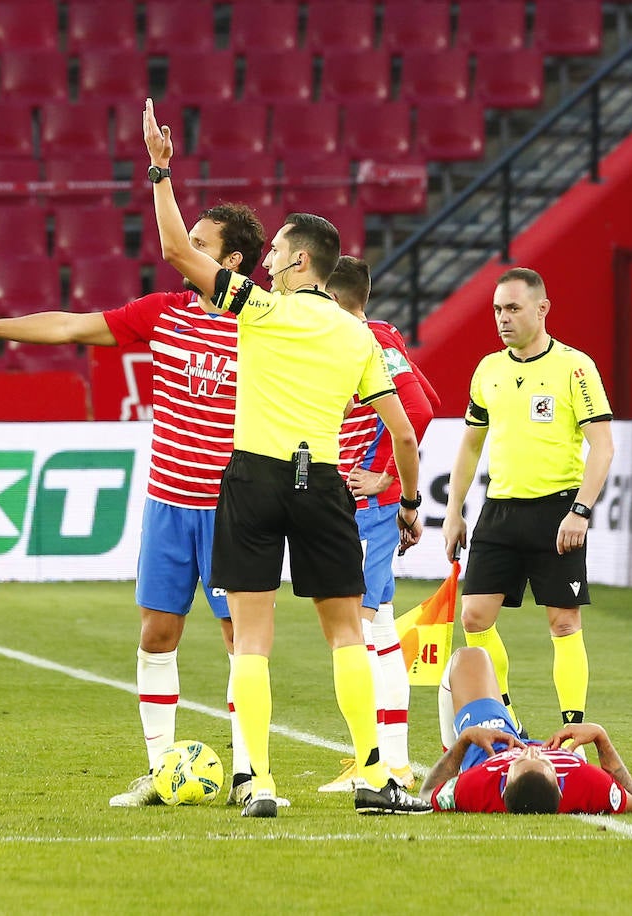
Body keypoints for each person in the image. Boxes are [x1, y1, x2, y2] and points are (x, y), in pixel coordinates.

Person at [143, 97, 431, 817]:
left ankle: (259, 783)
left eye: (275, 254)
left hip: (255, 478)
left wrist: (159, 172)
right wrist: (406, 501)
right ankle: (373, 777)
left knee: (254, 637)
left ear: (301, 261)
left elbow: (180, 252)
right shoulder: (360, 337)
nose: (265, 261)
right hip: (325, 482)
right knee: (345, 633)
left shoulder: (260, 309)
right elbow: (400, 430)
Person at [0, 202, 271, 808]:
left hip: (230, 508)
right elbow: (69, 326)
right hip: (167, 501)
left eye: (199, 240)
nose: (183, 247)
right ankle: (162, 770)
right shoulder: (163, 313)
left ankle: (249, 775)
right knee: (157, 633)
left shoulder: (265, 325)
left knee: (236, 637)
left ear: (232, 259)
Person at [441, 267, 615, 733]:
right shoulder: (488, 370)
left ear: (542, 309)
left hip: (556, 511)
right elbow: (471, 444)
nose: (503, 318)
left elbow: (603, 445)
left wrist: (580, 510)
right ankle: (508, 717)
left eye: (513, 308)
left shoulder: (575, 368)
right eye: (497, 309)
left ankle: (572, 731)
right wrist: (454, 509)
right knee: (474, 617)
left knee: (562, 622)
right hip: (499, 511)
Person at [317, 256, 439, 794]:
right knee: (378, 625)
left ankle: (387, 763)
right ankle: (387, 760)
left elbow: (420, 413)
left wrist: (388, 482)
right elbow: (430, 399)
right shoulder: (383, 335)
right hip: (368, 508)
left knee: (369, 628)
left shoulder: (368, 341)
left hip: (367, 507)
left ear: (336, 300)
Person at [418, 647, 632, 814]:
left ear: (503, 787)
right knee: (578, 754)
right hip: (567, 754)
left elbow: (427, 795)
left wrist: (464, 741)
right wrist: (600, 737)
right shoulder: (585, 782)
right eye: (544, 763)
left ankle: (452, 753)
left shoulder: (479, 785)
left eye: (520, 763)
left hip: (494, 750)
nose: (533, 752)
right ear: (561, 789)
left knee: (470, 657)